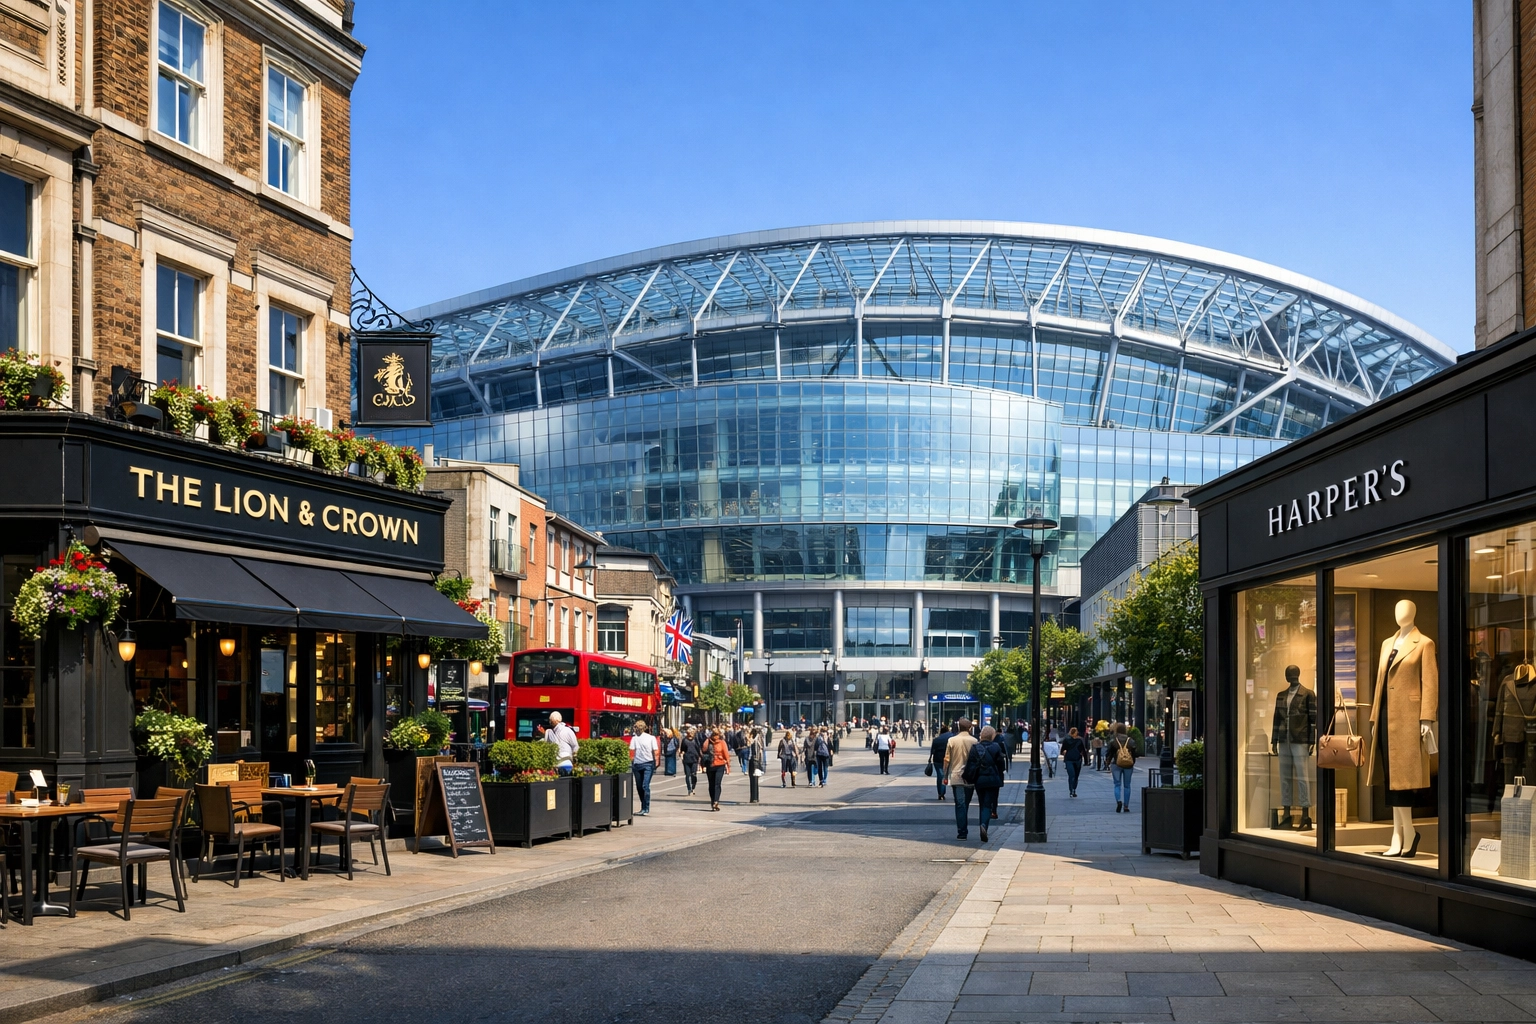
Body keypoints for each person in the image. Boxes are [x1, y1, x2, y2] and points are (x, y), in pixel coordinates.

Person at [965, 725, 1008, 843]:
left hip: (979, 780)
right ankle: (984, 825)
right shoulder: (996, 747)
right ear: (992, 736)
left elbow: (970, 765)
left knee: (982, 802)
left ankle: (982, 824)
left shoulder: (975, 748)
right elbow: (1001, 765)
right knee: (988, 805)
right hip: (993, 780)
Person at [942, 719, 978, 840]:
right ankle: (963, 827)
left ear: (958, 727)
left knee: (960, 804)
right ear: (970, 728)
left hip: (956, 776)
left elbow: (947, 759)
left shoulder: (952, 740)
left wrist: (945, 776)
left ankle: (962, 831)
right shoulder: (974, 741)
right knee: (966, 803)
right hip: (970, 777)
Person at [628, 720, 660, 815]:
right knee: (639, 787)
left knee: (645, 785)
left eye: (637, 728)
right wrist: (632, 762)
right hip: (637, 765)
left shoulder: (651, 738)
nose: (637, 729)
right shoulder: (634, 739)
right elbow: (632, 751)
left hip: (648, 764)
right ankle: (643, 806)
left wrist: (656, 762)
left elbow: (655, 751)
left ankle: (646, 808)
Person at [1107, 723, 1138, 813]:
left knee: (1117, 784)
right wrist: (1133, 762)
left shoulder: (1114, 740)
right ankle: (1126, 806)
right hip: (1128, 765)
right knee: (1127, 785)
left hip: (1116, 764)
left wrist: (1108, 762)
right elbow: (1135, 753)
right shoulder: (1130, 740)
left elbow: (1110, 753)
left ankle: (1118, 801)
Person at [703, 728, 731, 811]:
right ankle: (714, 801)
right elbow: (704, 750)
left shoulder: (721, 742)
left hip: (717, 764)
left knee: (715, 784)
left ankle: (715, 801)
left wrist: (728, 766)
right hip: (713, 764)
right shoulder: (710, 741)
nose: (715, 736)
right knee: (713, 784)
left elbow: (726, 754)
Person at [545, 711, 579, 776]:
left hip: (557, 764)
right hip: (568, 763)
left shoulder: (564, 731)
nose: (550, 722)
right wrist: (574, 759)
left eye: (550, 720)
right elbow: (575, 746)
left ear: (554, 720)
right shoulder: (568, 730)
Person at [928, 722, 953, 800]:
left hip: (937, 759)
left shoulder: (936, 740)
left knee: (940, 775)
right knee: (945, 775)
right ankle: (942, 792)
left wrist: (929, 759)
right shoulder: (951, 738)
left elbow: (932, 751)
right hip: (948, 759)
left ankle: (941, 793)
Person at [1060, 726, 1086, 797]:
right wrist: (1086, 760)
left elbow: (1062, 750)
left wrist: (1065, 752)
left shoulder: (1066, 740)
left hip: (1069, 759)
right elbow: (1083, 751)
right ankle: (1073, 789)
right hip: (1077, 759)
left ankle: (1072, 790)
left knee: (1072, 776)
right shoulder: (1079, 741)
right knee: (1075, 776)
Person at [681, 726, 702, 796]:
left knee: (694, 774)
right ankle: (689, 789)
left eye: (692, 733)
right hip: (687, 759)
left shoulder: (695, 740)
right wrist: (682, 753)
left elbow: (698, 748)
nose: (690, 734)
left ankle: (693, 787)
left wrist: (701, 757)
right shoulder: (684, 740)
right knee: (687, 775)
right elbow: (682, 749)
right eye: (689, 733)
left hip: (694, 759)